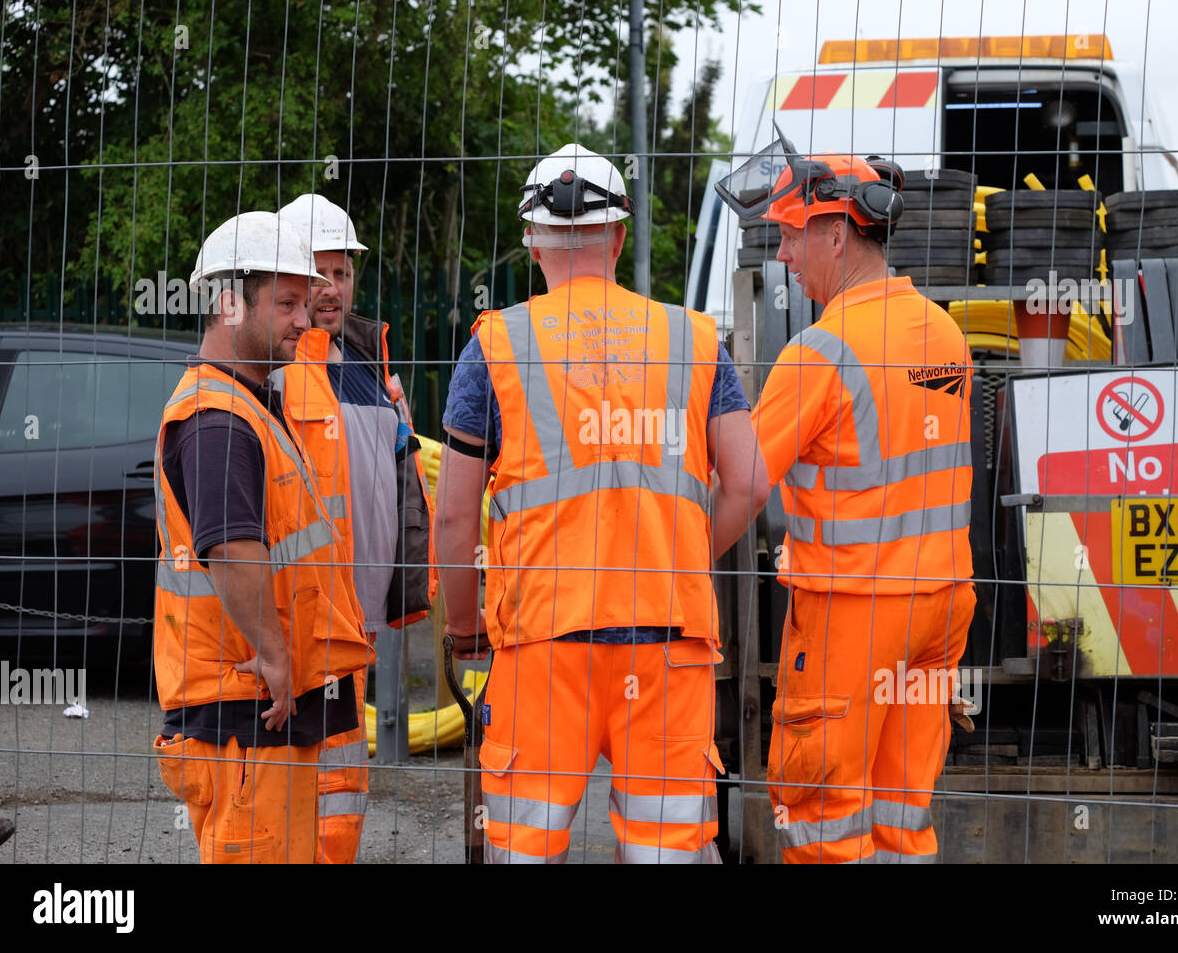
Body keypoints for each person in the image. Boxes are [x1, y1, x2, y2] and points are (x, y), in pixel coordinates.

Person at [436, 143, 768, 863]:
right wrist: (679, 558)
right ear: (619, 236)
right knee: (667, 849)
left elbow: (455, 516)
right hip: (668, 646)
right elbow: (747, 484)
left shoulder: (498, 346)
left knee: (523, 847)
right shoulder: (692, 339)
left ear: (531, 240)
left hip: (543, 642)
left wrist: (465, 632)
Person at [718, 132, 975, 863]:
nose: (785, 257)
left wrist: (677, 564)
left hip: (855, 613)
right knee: (901, 815)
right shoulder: (944, 334)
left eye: (793, 236)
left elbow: (743, 483)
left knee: (823, 816)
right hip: (940, 607)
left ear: (837, 233)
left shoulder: (819, 354)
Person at [152, 211, 371, 863]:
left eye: (307, 303)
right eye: (286, 303)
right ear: (227, 302)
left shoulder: (246, 402)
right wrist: (275, 655)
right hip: (243, 706)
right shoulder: (216, 417)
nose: (306, 320)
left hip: (261, 705)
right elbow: (230, 547)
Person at [274, 193, 436, 863]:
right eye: (317, 274)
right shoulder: (275, 369)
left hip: (355, 621)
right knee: (290, 781)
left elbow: (395, 479)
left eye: (341, 273)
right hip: (296, 618)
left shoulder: (369, 364)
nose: (332, 288)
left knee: (342, 790)